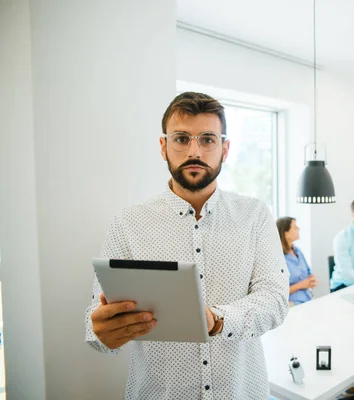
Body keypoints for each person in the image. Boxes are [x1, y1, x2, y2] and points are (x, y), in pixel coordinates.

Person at [84, 92, 289, 399]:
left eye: (207, 139)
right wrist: (101, 333)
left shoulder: (255, 216)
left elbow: (274, 300)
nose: (195, 150)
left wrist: (217, 321)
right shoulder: (128, 222)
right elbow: (97, 321)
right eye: (181, 138)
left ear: (225, 148)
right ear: (163, 146)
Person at [276, 217, 317, 306]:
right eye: (295, 227)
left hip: (307, 298)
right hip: (290, 303)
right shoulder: (278, 258)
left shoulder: (298, 251)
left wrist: (311, 280)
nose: (299, 228)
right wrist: (301, 285)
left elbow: (308, 273)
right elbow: (277, 291)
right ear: (285, 233)